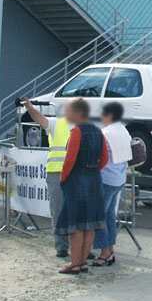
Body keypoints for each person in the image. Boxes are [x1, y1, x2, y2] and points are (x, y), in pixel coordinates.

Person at [56, 98, 109, 274]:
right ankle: (83, 262)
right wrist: (93, 170)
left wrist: (64, 179)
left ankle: (75, 263)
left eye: (68, 111)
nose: (66, 114)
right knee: (90, 223)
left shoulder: (77, 131)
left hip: (77, 179)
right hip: (94, 179)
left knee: (76, 224)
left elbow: (70, 159)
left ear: (78, 112)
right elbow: (105, 158)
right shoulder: (98, 131)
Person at [21, 97, 73, 257]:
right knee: (58, 210)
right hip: (57, 172)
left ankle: (79, 247)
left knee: (76, 212)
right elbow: (40, 119)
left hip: (74, 174)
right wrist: (30, 109)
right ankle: (62, 247)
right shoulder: (58, 123)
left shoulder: (83, 125)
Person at [92, 102, 132, 266]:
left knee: (100, 216)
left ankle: (104, 252)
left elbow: (98, 157)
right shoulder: (124, 130)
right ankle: (110, 249)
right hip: (120, 179)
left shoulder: (104, 133)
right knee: (109, 215)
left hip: (106, 179)